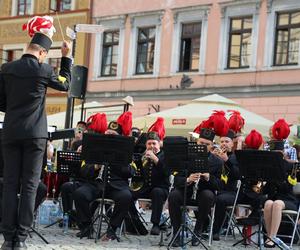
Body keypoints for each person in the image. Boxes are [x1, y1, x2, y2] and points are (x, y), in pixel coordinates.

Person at [0, 15, 71, 250]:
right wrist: (66, 57)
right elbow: (65, 84)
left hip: (10, 133)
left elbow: (1, 103)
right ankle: (20, 239)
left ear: (28, 48)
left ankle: (7, 238)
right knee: (30, 186)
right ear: (42, 52)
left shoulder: (6, 68)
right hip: (35, 136)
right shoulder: (44, 70)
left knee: (10, 184)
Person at [129, 117, 170, 235]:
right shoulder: (142, 155)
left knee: (157, 192)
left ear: (159, 144)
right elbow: (138, 174)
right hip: (146, 187)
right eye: (149, 143)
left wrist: (155, 159)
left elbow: (167, 172)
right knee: (127, 195)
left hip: (161, 187)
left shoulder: (165, 155)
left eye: (154, 143)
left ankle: (156, 224)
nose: (151, 146)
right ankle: (135, 223)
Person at [263, 119, 299, 248]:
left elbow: (289, 188)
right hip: (274, 197)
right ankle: (268, 235)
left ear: (283, 154)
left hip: (289, 199)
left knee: (277, 204)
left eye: (278, 154)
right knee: (268, 203)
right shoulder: (269, 167)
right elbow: (266, 191)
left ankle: (273, 237)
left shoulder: (291, 167)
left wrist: (278, 176)